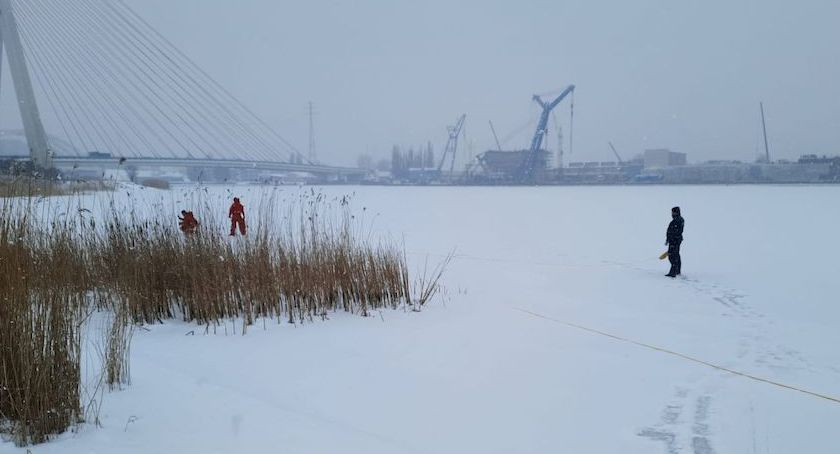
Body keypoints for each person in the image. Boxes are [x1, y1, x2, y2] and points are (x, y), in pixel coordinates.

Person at [665, 206, 684, 277]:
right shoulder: (677, 220)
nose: (672, 213)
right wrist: (668, 239)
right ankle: (677, 270)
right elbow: (670, 231)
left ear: (676, 212)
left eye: (673, 212)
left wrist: (672, 239)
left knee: (672, 256)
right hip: (674, 240)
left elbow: (677, 231)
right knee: (676, 255)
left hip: (675, 241)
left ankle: (673, 272)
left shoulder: (678, 220)